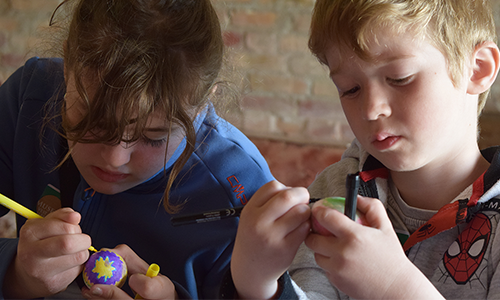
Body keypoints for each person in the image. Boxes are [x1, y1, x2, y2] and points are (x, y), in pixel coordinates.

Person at [225, 0, 500, 299]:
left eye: (399, 78)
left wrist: (395, 286)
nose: (371, 110)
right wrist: (256, 283)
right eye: (349, 89)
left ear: (477, 69)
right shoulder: (335, 188)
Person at [0, 0, 274, 299]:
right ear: (67, 64)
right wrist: (14, 274)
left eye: (154, 137)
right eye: (96, 123)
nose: (115, 159)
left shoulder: (239, 191)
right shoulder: (30, 98)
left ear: (202, 103)